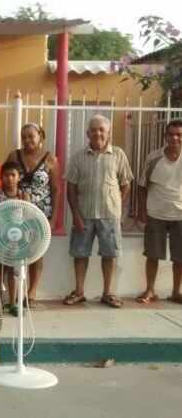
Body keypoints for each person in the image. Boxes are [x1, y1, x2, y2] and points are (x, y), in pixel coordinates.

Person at [63, 115, 133, 308]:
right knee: (80, 254)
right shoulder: (78, 156)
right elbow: (71, 187)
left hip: (109, 215)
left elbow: (126, 183)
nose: (98, 133)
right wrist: (75, 215)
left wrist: (116, 203)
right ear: (87, 133)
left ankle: (107, 292)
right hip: (83, 215)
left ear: (108, 132)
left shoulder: (119, 155)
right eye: (93, 130)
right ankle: (79, 291)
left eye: (101, 129)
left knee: (109, 254)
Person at [5, 122, 61, 308]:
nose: (28, 140)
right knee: (15, 249)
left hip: (40, 212)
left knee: (36, 251)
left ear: (40, 137)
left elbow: (56, 189)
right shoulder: (15, 155)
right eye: (24, 137)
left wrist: (53, 219)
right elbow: (7, 179)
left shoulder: (50, 159)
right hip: (17, 212)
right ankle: (13, 296)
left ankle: (32, 292)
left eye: (31, 136)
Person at [136, 119, 182, 305]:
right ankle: (149, 290)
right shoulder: (154, 158)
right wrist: (142, 211)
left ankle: (176, 292)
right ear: (165, 136)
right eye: (171, 134)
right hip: (156, 213)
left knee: (180, 258)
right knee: (153, 255)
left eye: (179, 134)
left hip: (180, 215)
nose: (175, 138)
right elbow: (141, 185)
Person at [0, 161, 30, 316]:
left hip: (16, 238)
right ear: (1, 176)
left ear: (19, 177)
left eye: (13, 175)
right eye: (6, 175)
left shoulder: (23, 195)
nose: (9, 178)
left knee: (13, 269)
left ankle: (13, 303)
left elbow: (28, 216)